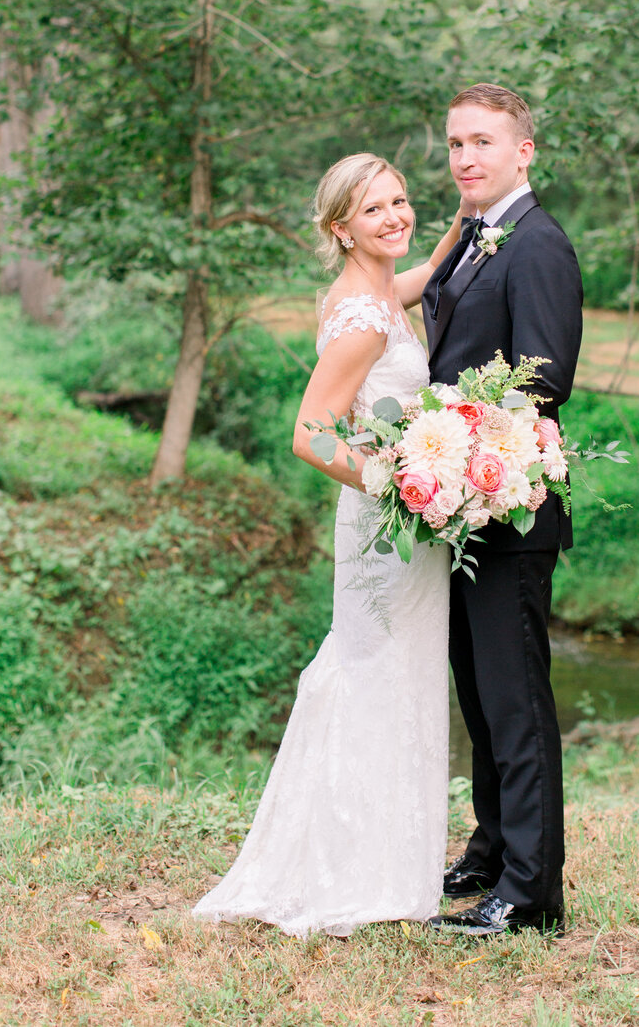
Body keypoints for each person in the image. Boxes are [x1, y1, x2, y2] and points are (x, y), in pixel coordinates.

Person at [193, 153, 465, 937]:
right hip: (387, 522)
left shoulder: (378, 290)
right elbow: (309, 436)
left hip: (404, 523)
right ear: (341, 227)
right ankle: (353, 867)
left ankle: (386, 855)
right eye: (374, 210)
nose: (394, 217)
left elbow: (413, 281)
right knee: (375, 675)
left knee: (396, 675)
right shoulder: (358, 317)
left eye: (401, 202)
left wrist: (459, 226)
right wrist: (401, 484)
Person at [422, 83, 583, 939]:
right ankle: (491, 848)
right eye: (454, 144)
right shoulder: (476, 241)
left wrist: (455, 441)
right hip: (459, 507)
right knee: (482, 696)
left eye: (482, 142)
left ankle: (530, 893)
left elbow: (542, 380)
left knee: (516, 701)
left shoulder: (539, 246)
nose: (465, 158)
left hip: (510, 511)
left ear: (523, 151)